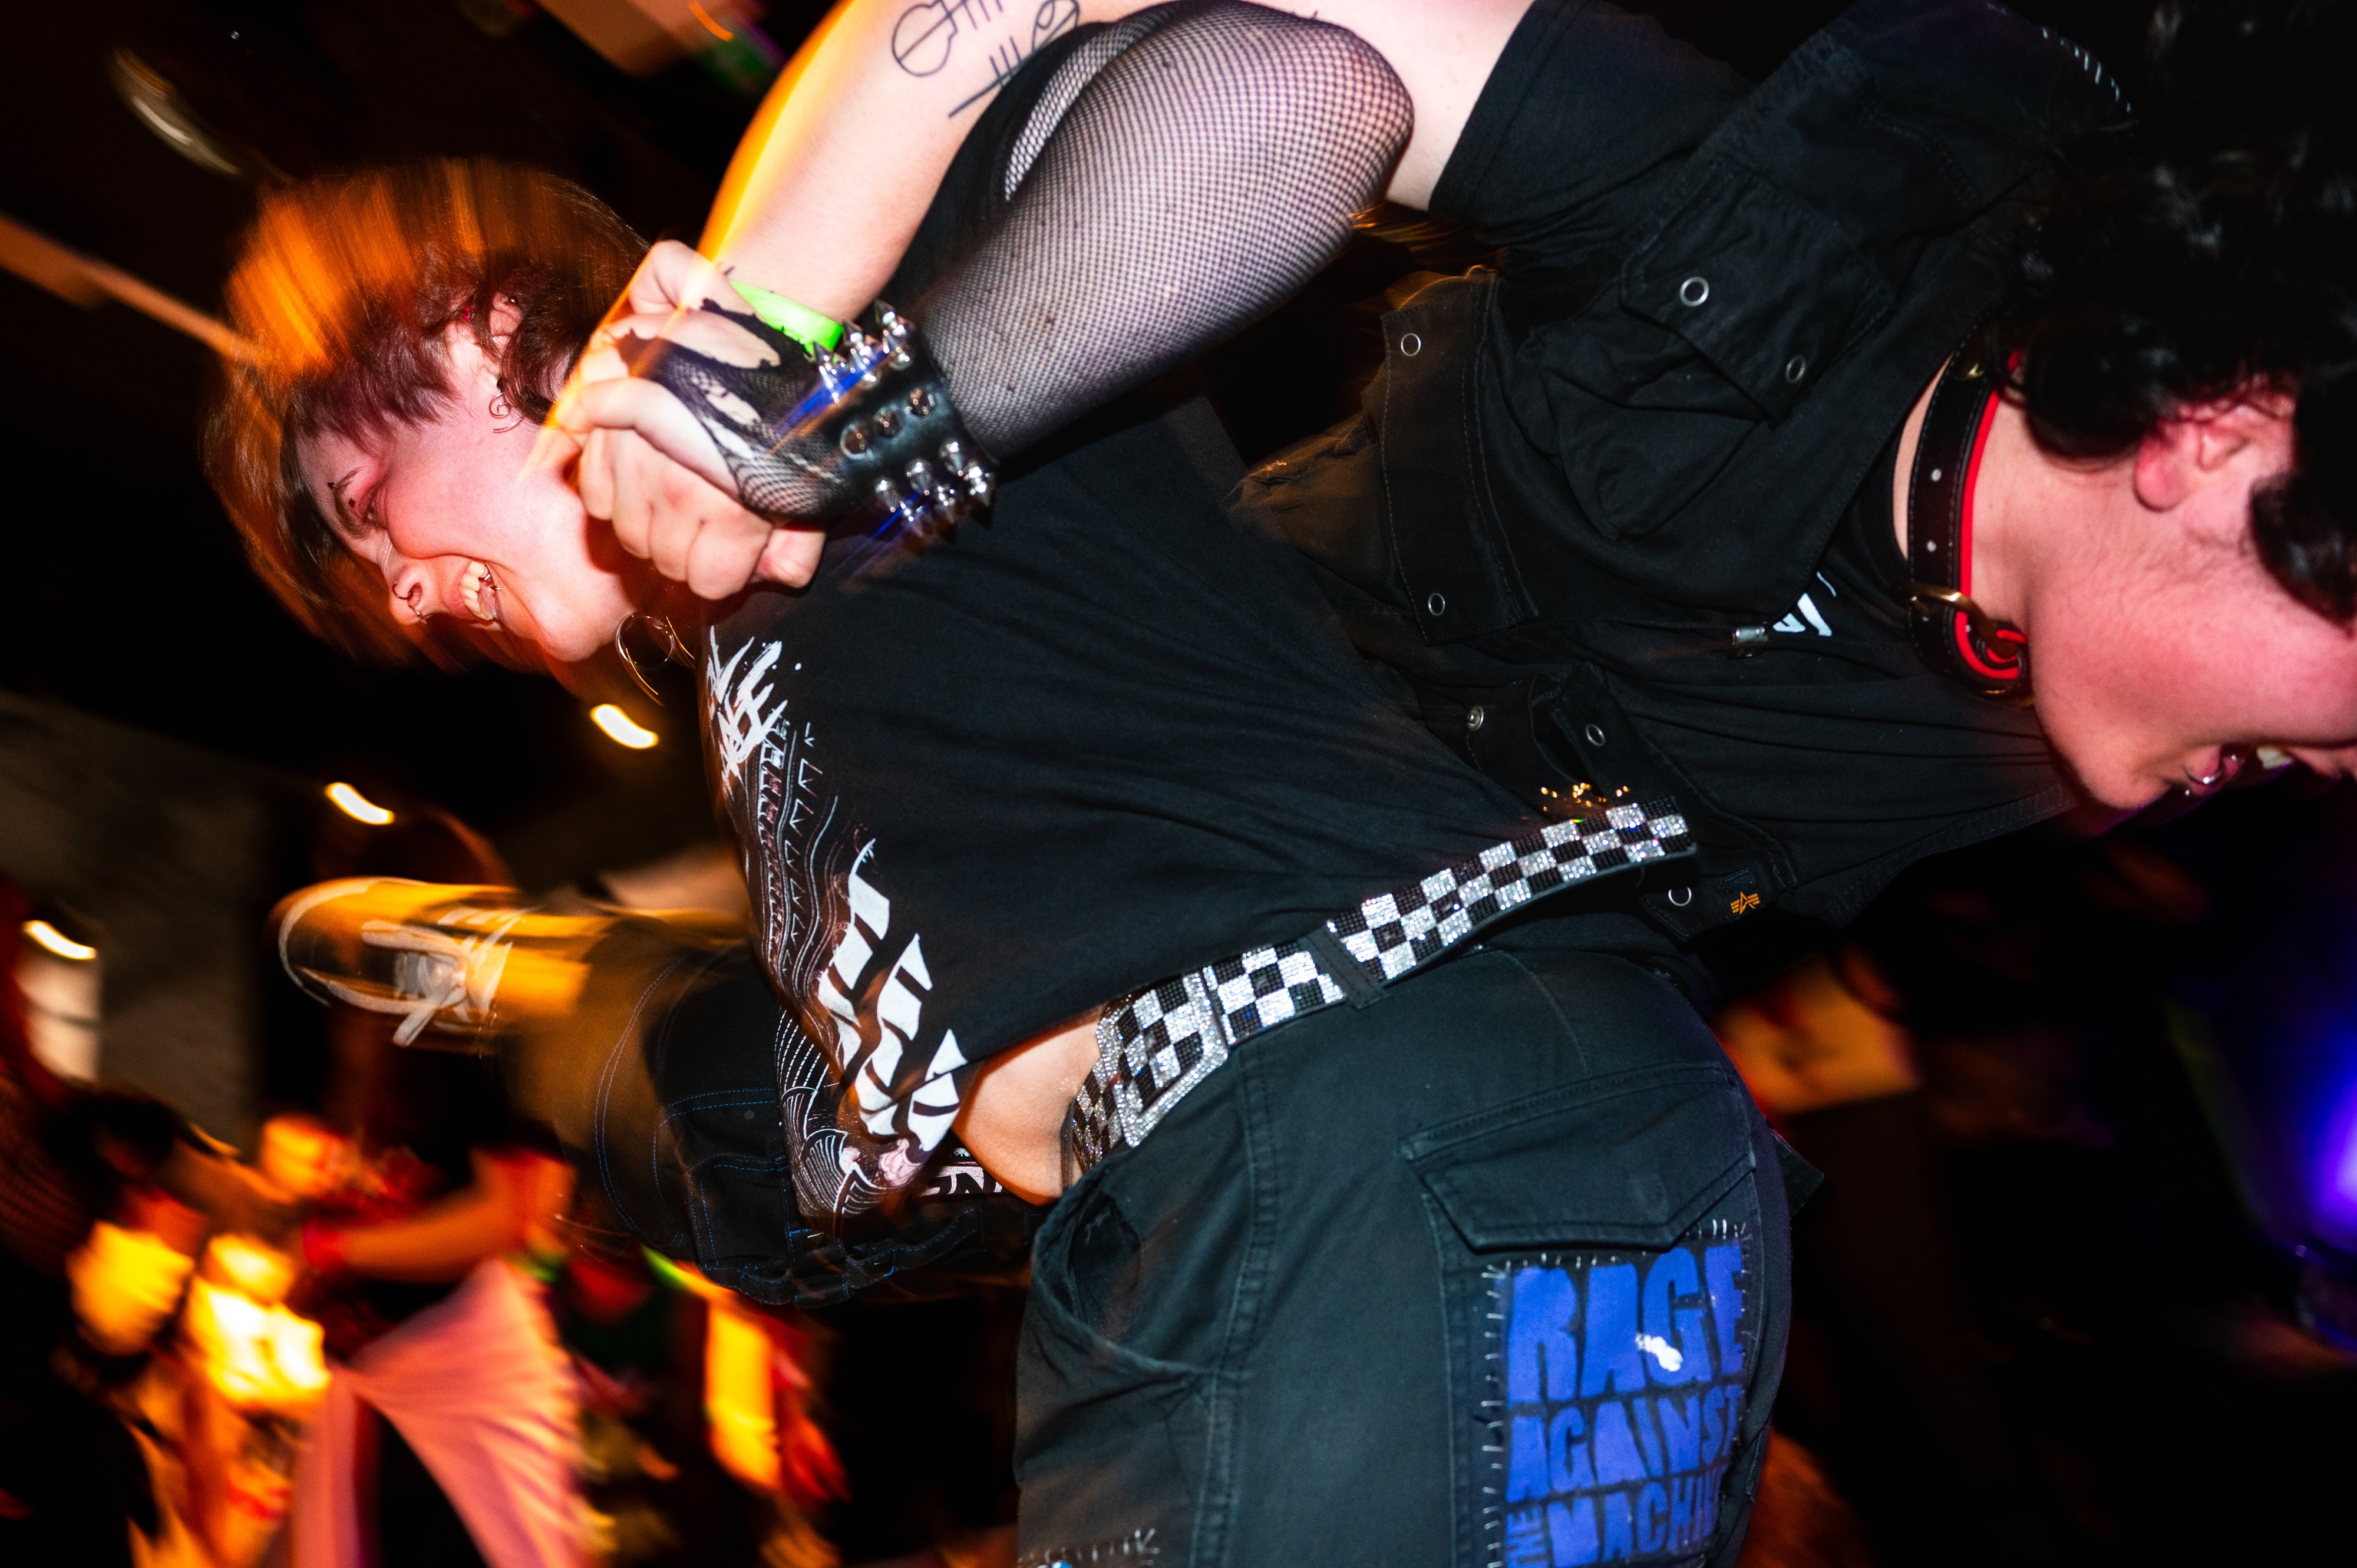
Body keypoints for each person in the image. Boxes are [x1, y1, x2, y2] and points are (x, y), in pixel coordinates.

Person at [203, 2, 2354, 1564]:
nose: (406, 594)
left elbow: (1280, 85)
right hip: (1355, 1145)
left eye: (375, 514)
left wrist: (801, 394)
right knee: (777, 1128)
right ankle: (522, 977)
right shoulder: (759, 697)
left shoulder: (856, 368)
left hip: (1394, 1136)